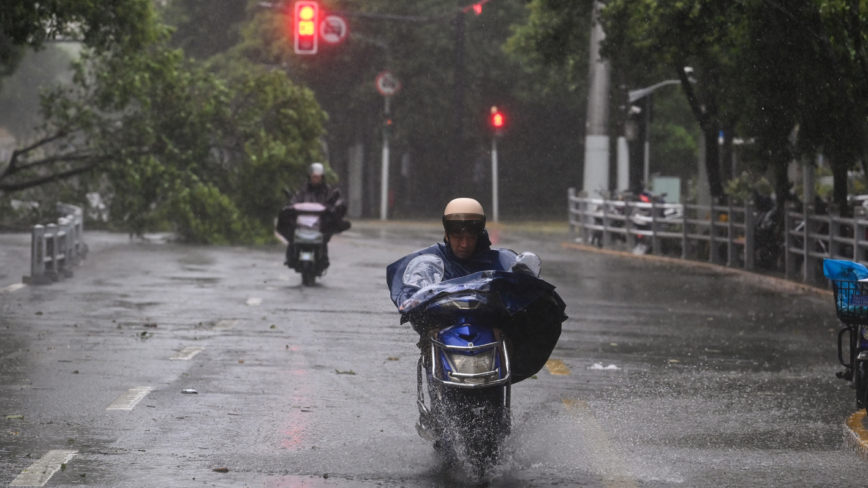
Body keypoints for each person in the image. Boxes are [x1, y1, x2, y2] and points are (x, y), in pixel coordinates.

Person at [386, 198, 565, 382]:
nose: (464, 244)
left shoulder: (501, 260)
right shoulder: (428, 261)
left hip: (490, 334)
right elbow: (409, 287)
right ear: (447, 233)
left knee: (502, 335)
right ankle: (439, 396)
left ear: (479, 233)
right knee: (432, 338)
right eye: (458, 237)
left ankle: (500, 394)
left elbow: (524, 282)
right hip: (442, 333)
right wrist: (411, 300)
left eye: (471, 237)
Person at [277, 163, 351, 269]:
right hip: (303, 225)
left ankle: (322, 259)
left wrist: (337, 208)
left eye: (318, 177)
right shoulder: (303, 191)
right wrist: (291, 207)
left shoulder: (328, 191)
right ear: (310, 177)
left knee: (325, 237)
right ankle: (291, 258)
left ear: (322, 177)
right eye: (313, 177)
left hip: (319, 226)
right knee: (292, 237)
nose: (315, 179)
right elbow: (295, 201)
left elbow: (335, 202)